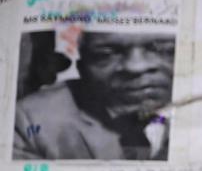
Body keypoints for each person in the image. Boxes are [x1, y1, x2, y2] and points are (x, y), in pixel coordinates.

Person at [13, 30, 175, 160]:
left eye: (166, 50)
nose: (135, 66)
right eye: (105, 55)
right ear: (80, 62)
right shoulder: (30, 120)